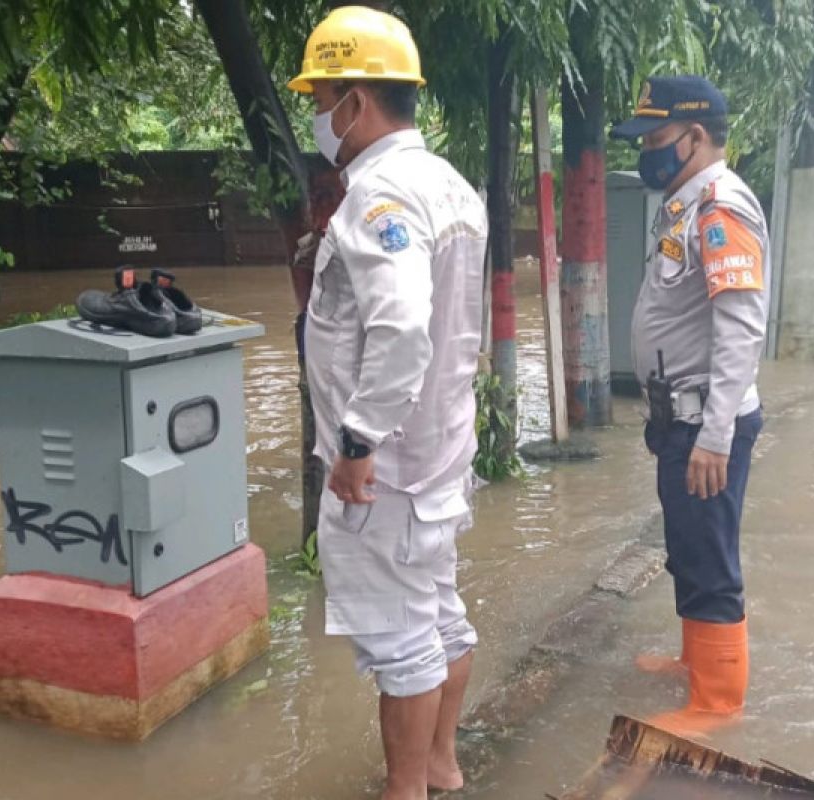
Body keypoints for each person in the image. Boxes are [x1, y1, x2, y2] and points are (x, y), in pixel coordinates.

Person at [287, 7, 488, 799]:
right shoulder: (448, 183)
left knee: (405, 645)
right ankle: (441, 765)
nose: (317, 114)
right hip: (439, 454)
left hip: (389, 469)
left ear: (355, 103)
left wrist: (357, 443)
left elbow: (403, 328)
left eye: (321, 95)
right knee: (440, 616)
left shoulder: (381, 196)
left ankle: (407, 790)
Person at [609, 76, 769, 738]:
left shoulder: (721, 206)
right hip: (679, 415)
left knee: (707, 555)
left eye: (656, 139)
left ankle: (716, 704)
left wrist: (714, 435)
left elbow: (741, 326)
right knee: (687, 544)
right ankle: (694, 661)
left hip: (706, 420)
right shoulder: (685, 202)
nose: (647, 150)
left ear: (695, 137)